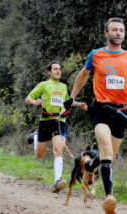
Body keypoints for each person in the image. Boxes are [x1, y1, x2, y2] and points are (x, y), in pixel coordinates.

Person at [64, 17, 127, 214]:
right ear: (106, 33)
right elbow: (83, 75)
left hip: (121, 112)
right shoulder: (96, 55)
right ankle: (109, 197)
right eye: (114, 30)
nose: (118, 33)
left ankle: (90, 164)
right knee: (106, 147)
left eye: (121, 30)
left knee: (107, 157)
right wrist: (72, 97)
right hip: (101, 109)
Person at [25, 61, 87, 193]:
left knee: (58, 150)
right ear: (49, 72)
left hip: (59, 121)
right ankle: (36, 137)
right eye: (55, 69)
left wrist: (79, 104)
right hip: (46, 121)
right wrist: (34, 102)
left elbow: (67, 102)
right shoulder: (44, 85)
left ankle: (57, 181)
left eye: (59, 69)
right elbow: (28, 98)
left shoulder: (64, 86)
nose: (58, 71)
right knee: (39, 155)